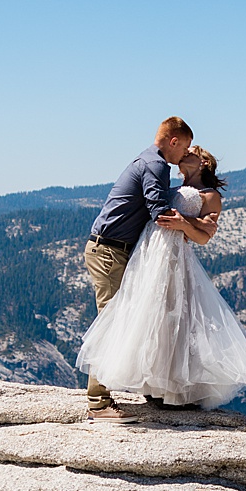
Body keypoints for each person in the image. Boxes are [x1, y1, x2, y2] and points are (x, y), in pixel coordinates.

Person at [75, 146, 246, 411]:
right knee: (151, 318)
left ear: (202, 161)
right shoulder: (168, 186)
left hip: (175, 259)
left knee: (177, 320)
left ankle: (177, 389)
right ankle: (155, 386)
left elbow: (203, 237)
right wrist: (188, 222)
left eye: (191, 151)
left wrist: (185, 224)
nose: (184, 153)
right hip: (148, 254)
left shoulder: (211, 196)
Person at [79, 117, 206, 419]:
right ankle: (98, 403)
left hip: (114, 250)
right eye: (184, 147)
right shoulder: (157, 164)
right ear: (173, 141)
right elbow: (159, 212)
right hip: (110, 251)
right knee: (113, 322)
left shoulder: (149, 161)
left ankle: (150, 389)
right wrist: (194, 225)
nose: (181, 156)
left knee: (136, 318)